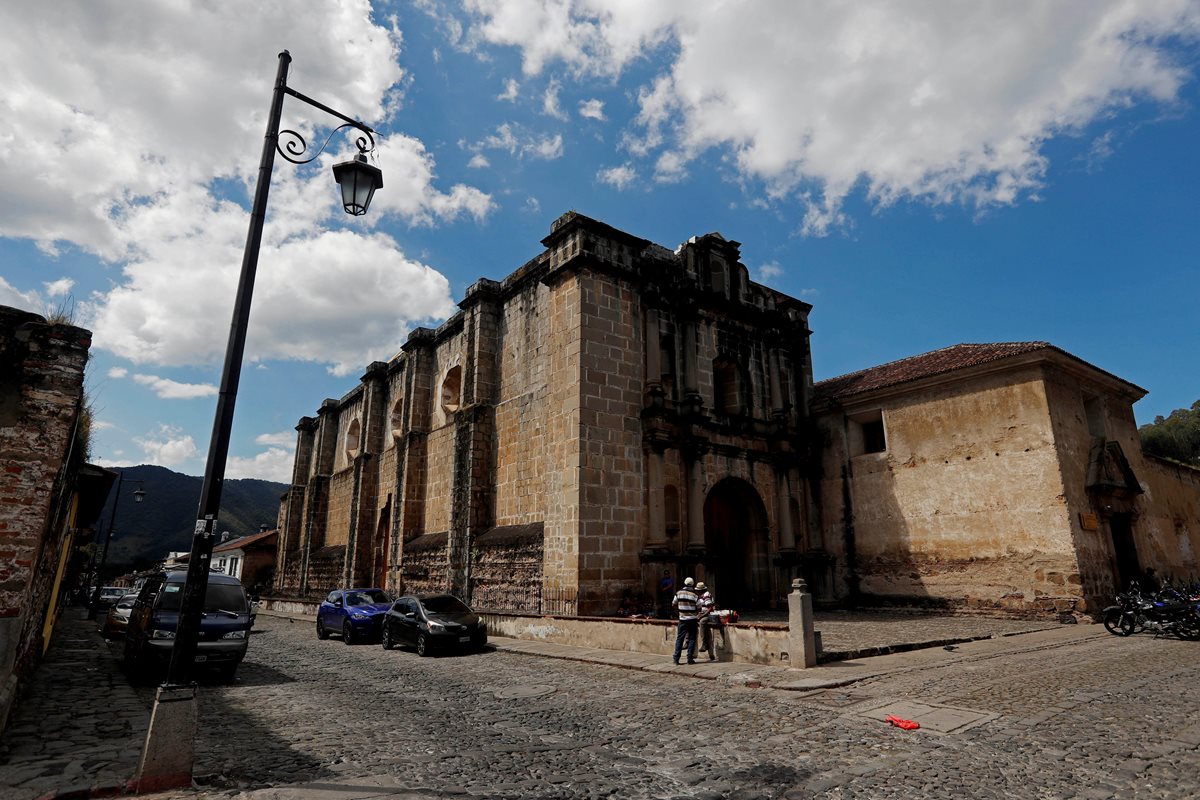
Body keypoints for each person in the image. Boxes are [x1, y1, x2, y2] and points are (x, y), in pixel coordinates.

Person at [671, 577, 699, 665]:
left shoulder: (678, 593)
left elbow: (673, 604)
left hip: (682, 619)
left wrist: (679, 611)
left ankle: (676, 659)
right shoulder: (694, 595)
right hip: (692, 619)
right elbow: (699, 607)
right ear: (692, 584)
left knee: (680, 639)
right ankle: (689, 658)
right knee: (692, 638)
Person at [696, 581, 724, 661]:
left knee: (702, 622)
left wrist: (702, 615)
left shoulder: (706, 595)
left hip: (708, 614)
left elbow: (710, 608)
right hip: (702, 613)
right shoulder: (701, 596)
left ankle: (704, 643)